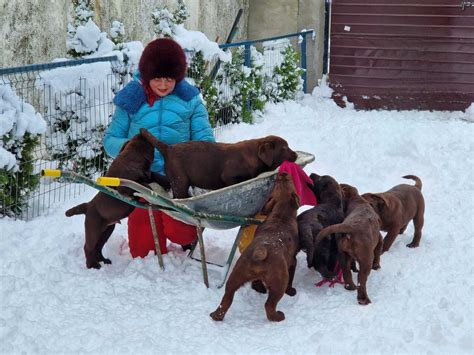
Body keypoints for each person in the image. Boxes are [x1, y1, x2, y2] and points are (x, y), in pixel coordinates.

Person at [103, 38, 215, 258]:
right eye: (157, 78)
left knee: (181, 233)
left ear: (178, 77)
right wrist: (130, 149)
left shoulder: (190, 100)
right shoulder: (131, 100)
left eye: (169, 79)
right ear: (146, 74)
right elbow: (110, 140)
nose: (163, 85)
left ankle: (188, 232)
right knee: (144, 252)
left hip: (179, 182)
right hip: (143, 182)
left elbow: (206, 142)